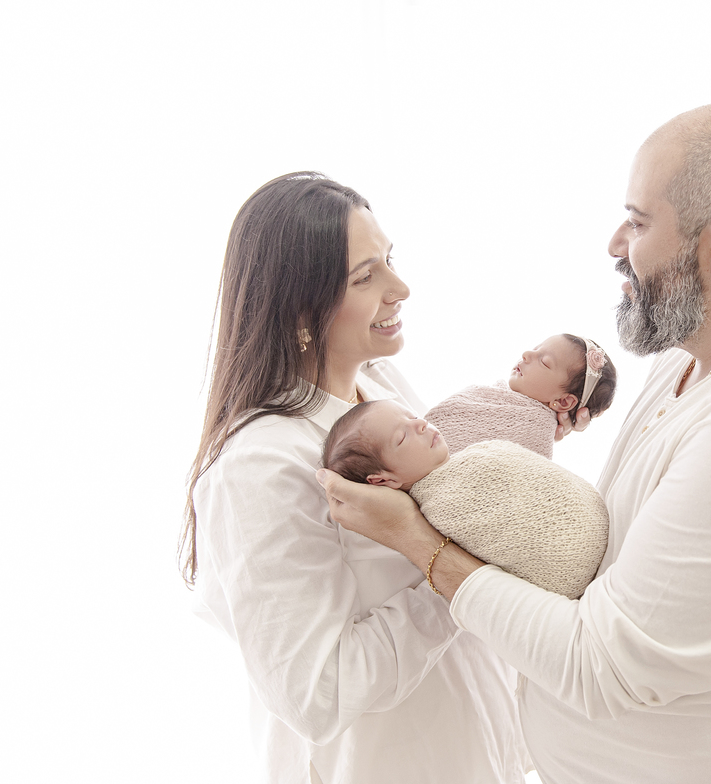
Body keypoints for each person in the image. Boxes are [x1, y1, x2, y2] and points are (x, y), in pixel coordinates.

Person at [317, 104, 711, 783]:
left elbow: (605, 667)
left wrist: (418, 543)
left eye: (638, 222)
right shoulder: (690, 360)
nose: (615, 243)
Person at [180, 172, 530, 783]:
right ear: (300, 309)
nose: (401, 288)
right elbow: (318, 694)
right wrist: (456, 574)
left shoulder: (379, 386)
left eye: (390, 260)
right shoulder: (260, 467)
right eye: (366, 277)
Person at [320, 399, 609, 598]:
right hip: (577, 567)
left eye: (413, 416)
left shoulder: (469, 457)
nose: (421, 425)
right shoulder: (439, 510)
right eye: (402, 437)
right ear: (383, 481)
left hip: (602, 527)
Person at [424, 333, 619, 459]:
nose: (526, 354)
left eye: (544, 362)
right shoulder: (493, 395)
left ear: (563, 401)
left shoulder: (535, 434)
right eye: (535, 348)